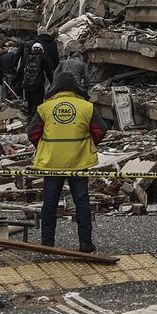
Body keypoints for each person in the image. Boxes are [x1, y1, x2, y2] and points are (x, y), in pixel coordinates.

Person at [27, 71, 106, 253]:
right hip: (78, 162)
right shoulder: (86, 107)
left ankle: (47, 243)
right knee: (82, 202)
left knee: (50, 203)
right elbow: (100, 130)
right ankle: (85, 243)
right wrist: (88, 144)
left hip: (51, 162)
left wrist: (45, 147)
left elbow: (32, 133)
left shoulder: (45, 108)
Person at [21, 43, 50, 115]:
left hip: (27, 86)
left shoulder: (27, 59)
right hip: (38, 86)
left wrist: (15, 81)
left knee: (30, 103)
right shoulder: (42, 59)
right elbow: (49, 73)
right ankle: (36, 121)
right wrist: (53, 82)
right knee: (38, 104)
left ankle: (29, 118)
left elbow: (20, 71)